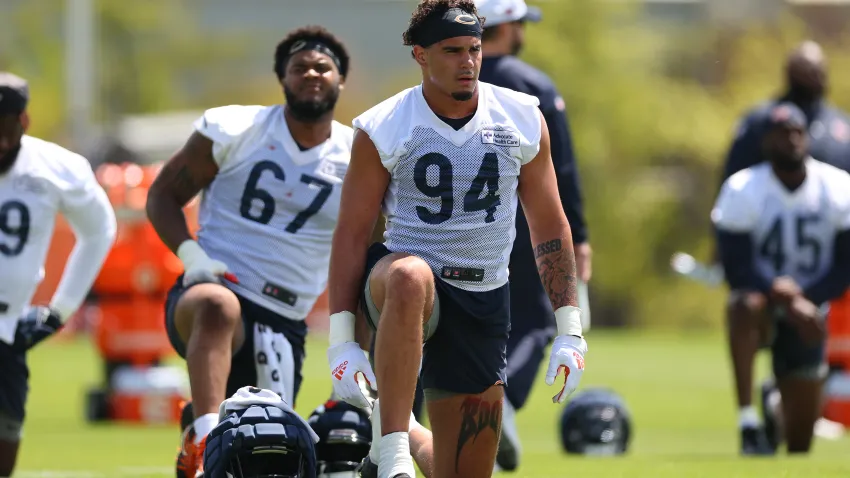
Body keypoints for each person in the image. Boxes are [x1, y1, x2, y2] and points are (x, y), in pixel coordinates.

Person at [324, 1, 588, 477]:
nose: (467, 62)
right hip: (404, 287)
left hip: (483, 297)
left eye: (474, 49)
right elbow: (352, 233)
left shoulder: (522, 117)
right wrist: (343, 341)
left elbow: (550, 225)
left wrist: (570, 329)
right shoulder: (384, 125)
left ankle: (397, 438)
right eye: (451, 51)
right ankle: (394, 451)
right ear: (421, 56)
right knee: (410, 274)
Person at [145, 26, 353, 477]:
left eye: (323, 67)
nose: (312, 74)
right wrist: (193, 258)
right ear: (283, 78)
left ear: (341, 80)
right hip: (215, 290)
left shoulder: (359, 154)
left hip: (285, 321)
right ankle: (201, 438)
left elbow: (368, 245)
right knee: (216, 305)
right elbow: (162, 195)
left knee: (264, 454)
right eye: (300, 67)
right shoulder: (237, 129)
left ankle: (198, 433)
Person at [473, 0, 592, 470]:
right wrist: (578, 236)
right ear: (508, 26)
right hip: (527, 225)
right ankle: (498, 401)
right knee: (540, 323)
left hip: (465, 223)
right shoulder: (532, 85)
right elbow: (561, 169)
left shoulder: (453, 83)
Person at [712, 102, 850, 455]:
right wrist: (782, 293)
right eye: (782, 133)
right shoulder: (744, 187)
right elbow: (736, 265)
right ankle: (748, 422)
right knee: (742, 305)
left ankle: (775, 404)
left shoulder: (837, 187)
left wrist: (807, 298)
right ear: (766, 142)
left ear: (807, 137)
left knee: (799, 444)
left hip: (812, 307)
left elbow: (845, 265)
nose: (791, 140)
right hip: (764, 302)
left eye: (797, 132)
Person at [0, 72, 117, 477]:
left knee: (5, 443)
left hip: (7, 328)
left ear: (24, 123)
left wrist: (59, 310)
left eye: (7, 131)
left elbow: (99, 229)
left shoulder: (55, 167)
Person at [723, 41, 850, 181]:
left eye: (816, 71)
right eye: (804, 70)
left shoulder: (842, 125)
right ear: (789, 72)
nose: (812, 76)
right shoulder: (761, 121)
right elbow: (734, 177)